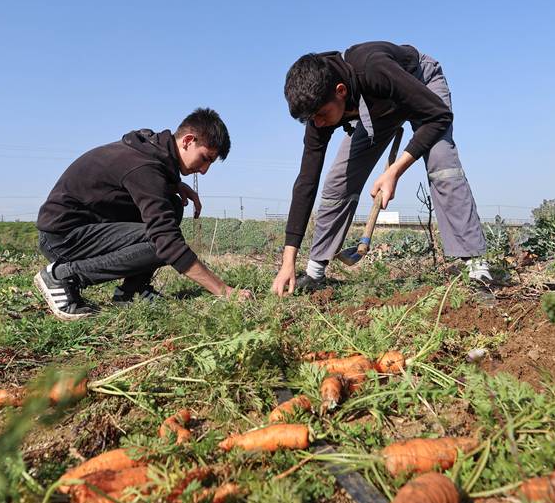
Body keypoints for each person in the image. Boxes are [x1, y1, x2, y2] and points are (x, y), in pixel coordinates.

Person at [271, 41, 490, 296]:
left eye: (321, 115)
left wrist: (394, 171)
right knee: (338, 181)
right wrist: (288, 261)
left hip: (420, 82)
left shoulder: (372, 69)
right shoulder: (318, 108)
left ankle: (476, 267)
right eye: (311, 120)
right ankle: (315, 272)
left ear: (340, 91)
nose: (318, 123)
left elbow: (438, 115)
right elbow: (307, 181)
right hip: (377, 109)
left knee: (442, 164)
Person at [34, 107, 252, 320]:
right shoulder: (145, 166)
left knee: (173, 206)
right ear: (187, 141)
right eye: (205, 158)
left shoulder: (150, 150)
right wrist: (224, 290)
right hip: (63, 237)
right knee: (162, 243)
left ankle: (132, 290)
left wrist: (173, 184)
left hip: (84, 226)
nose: (204, 170)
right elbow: (168, 242)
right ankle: (63, 277)